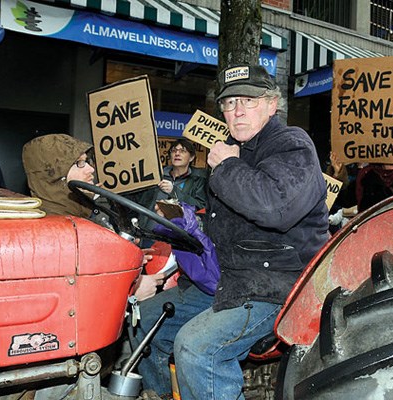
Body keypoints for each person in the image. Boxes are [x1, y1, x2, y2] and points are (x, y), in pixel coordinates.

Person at [133, 64, 329, 398]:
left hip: (279, 286)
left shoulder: (291, 145)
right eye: (228, 103)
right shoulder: (232, 148)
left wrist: (226, 165)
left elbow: (274, 208)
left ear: (271, 104)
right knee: (144, 321)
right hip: (228, 279)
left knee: (197, 349)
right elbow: (228, 223)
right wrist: (184, 223)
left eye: (248, 101)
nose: (236, 112)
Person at [22, 134, 163, 301]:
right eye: (79, 164)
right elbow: (74, 295)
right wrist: (132, 291)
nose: (91, 169)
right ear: (53, 173)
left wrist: (127, 257)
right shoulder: (58, 230)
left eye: (87, 161)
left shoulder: (74, 212)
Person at [130, 137, 207, 231]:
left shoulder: (197, 181)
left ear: (191, 157)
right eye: (174, 151)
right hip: (149, 232)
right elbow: (141, 202)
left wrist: (174, 191)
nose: (177, 154)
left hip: (176, 235)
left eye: (182, 151)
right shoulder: (157, 175)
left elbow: (200, 207)